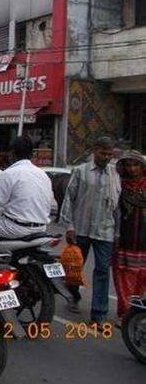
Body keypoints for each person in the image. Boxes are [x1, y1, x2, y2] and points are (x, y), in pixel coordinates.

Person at [60, 136, 121, 322]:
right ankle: (73, 296)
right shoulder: (81, 171)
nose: (106, 157)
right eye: (103, 153)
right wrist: (69, 226)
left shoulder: (116, 174)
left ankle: (99, 314)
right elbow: (69, 199)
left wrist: (117, 233)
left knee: (102, 271)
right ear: (95, 150)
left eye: (110, 154)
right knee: (75, 267)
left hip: (105, 231)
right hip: (81, 228)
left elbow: (118, 207)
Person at [0, 135, 54, 255]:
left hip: (17, 228)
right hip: (41, 228)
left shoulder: (10, 173)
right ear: (31, 154)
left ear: (12, 154)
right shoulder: (42, 174)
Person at [113, 150, 146, 320]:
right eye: (128, 165)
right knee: (124, 279)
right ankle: (126, 314)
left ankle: (136, 314)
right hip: (125, 240)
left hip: (144, 242)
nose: (132, 169)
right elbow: (115, 213)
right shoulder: (119, 186)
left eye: (136, 165)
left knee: (141, 280)